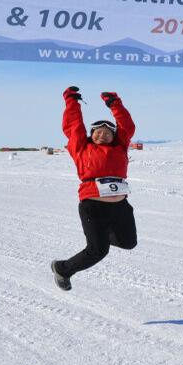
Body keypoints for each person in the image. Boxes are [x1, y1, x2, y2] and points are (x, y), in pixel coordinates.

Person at [51, 86, 137, 291]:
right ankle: (63, 269)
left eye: (108, 133)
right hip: (93, 207)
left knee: (128, 243)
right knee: (98, 251)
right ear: (91, 134)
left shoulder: (120, 147)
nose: (102, 135)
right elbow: (73, 125)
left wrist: (114, 104)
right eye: (98, 132)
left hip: (120, 206)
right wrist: (71, 101)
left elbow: (127, 126)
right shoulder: (82, 148)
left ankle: (100, 234)